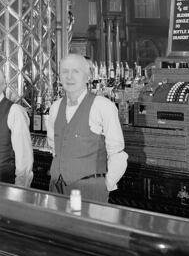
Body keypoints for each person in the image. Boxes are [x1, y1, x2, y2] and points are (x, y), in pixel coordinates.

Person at [46, 54, 128, 203]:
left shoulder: (103, 106)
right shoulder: (55, 107)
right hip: (56, 187)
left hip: (89, 189)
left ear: (87, 76)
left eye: (76, 71)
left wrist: (104, 185)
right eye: (65, 71)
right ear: (59, 76)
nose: (69, 77)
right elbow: (54, 146)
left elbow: (117, 153)